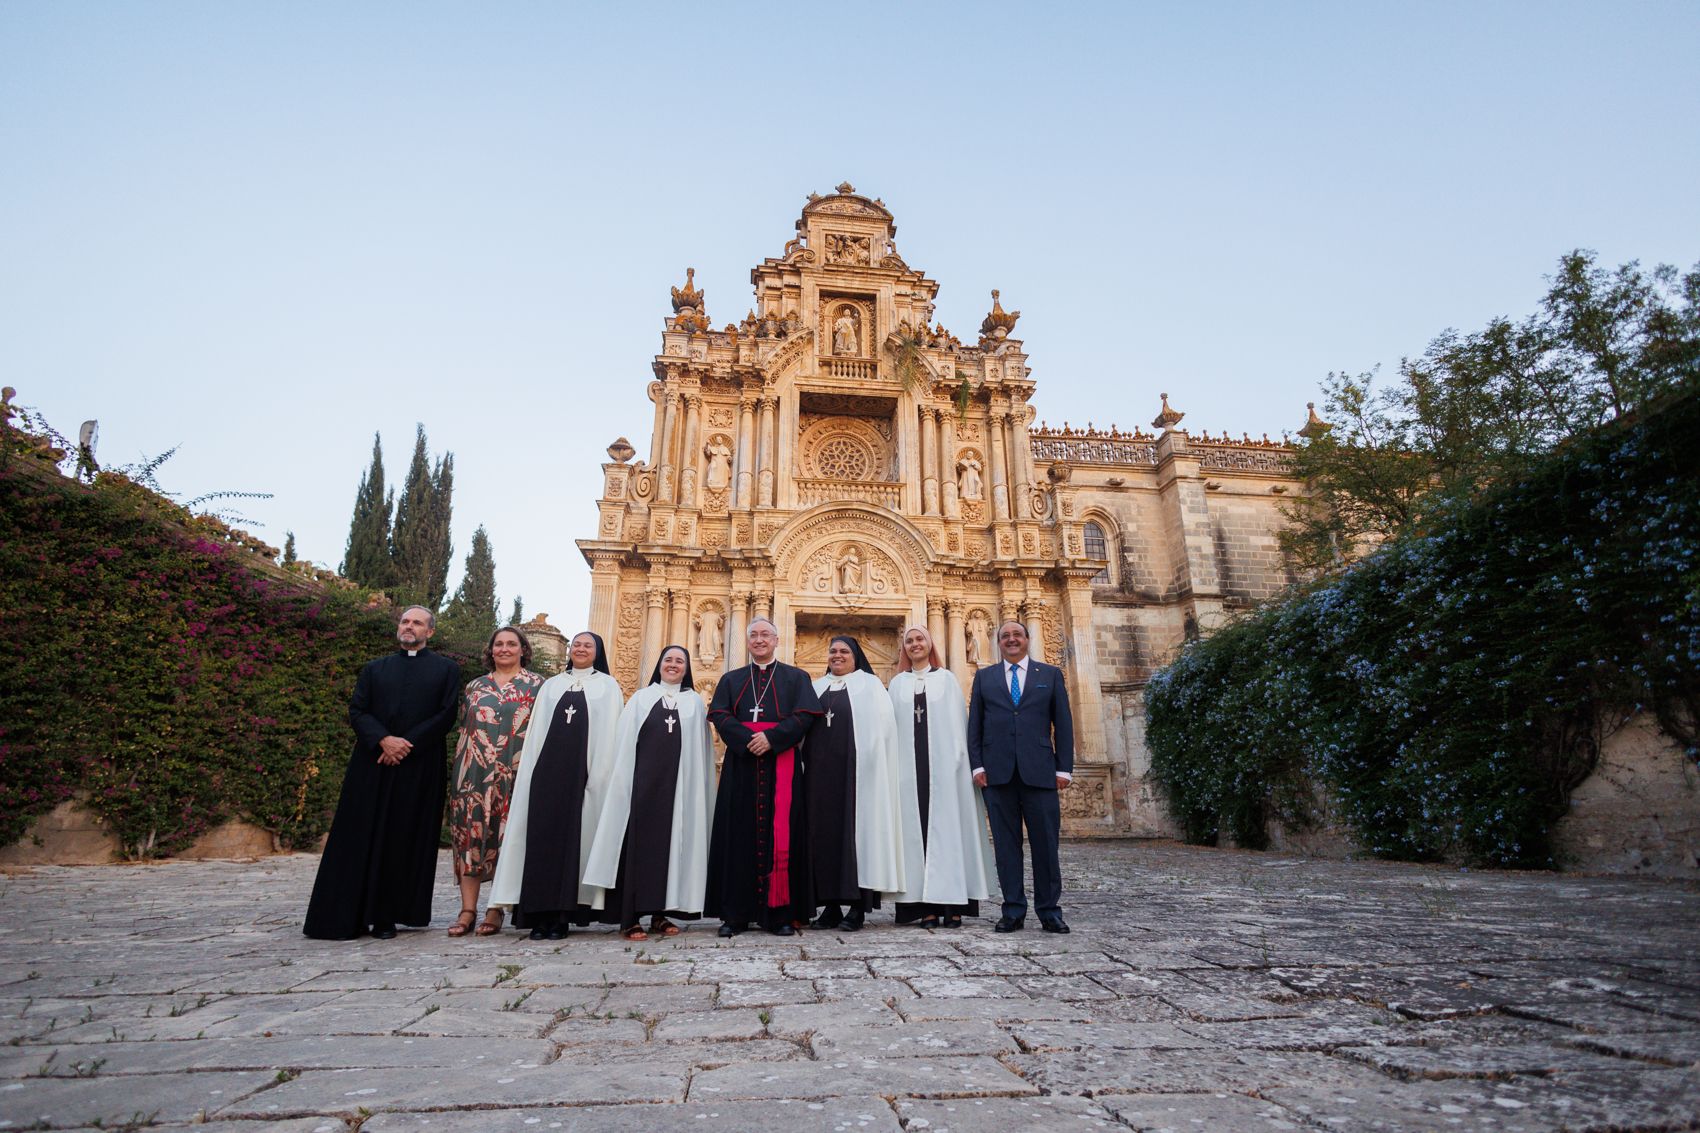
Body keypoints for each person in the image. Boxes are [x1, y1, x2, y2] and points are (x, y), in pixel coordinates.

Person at [304, 606, 462, 940]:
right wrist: (383, 741)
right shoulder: (375, 669)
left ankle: (388, 915)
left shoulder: (447, 670)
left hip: (418, 765)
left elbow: (446, 714)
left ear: (429, 632)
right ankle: (350, 912)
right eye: (405, 621)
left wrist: (406, 744)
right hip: (371, 762)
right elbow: (358, 709)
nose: (409, 627)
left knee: (403, 836)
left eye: (417, 623)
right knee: (359, 834)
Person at [490, 631, 623, 940]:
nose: (581, 648)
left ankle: (563, 916)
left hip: (584, 777)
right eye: (576, 644)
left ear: (598, 651)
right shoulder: (552, 686)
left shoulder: (607, 687)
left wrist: (600, 775)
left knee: (573, 844)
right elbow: (537, 731)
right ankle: (537, 915)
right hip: (546, 777)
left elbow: (610, 735)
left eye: (588, 645)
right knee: (541, 842)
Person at [583, 645, 716, 940]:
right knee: (635, 848)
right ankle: (629, 917)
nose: (673, 665)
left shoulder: (694, 702)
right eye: (668, 660)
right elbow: (624, 743)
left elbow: (700, 753)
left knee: (670, 851)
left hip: (678, 790)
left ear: (686, 668)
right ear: (659, 665)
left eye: (679, 661)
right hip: (640, 788)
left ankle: (660, 913)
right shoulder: (641, 699)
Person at [704, 617, 824, 936]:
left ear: (776, 640)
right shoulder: (732, 679)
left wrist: (773, 738)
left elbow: (805, 716)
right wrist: (747, 739)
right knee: (737, 837)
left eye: (765, 635)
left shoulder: (796, 678)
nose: (759, 640)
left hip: (781, 764)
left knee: (784, 837)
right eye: (754, 635)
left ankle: (780, 915)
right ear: (747, 642)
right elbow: (719, 714)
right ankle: (735, 915)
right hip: (741, 768)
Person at [967, 621, 1074, 934]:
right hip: (997, 775)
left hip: (1040, 772)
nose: (1011, 640)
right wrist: (977, 766)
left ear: (1027, 639)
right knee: (1005, 847)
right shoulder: (984, 678)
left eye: (1016, 635)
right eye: (1005, 636)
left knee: (1045, 846)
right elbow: (975, 725)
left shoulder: (1050, 675)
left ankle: (1050, 911)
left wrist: (1063, 768)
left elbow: (1063, 724)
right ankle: (1012, 910)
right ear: (998, 643)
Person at [889, 625, 994, 929]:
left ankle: (954, 905)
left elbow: (959, 725)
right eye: (909, 641)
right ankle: (924, 908)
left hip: (946, 772)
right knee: (915, 836)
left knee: (949, 835)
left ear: (930, 644)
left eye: (920, 639)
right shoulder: (897, 684)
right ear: (904, 649)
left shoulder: (947, 680)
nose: (914, 644)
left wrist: (961, 765)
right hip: (908, 773)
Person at [446, 626, 543, 938]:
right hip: (472, 772)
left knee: (507, 837)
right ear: (491, 650)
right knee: (469, 838)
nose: (504, 649)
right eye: (498, 644)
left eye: (511, 644)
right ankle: (468, 909)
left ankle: (496, 908)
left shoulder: (538, 686)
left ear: (522, 650)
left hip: (516, 772)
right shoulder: (475, 686)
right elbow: (465, 725)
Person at [808, 636, 904, 931]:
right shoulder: (817, 687)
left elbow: (884, 730)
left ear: (855, 656)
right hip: (820, 777)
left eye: (844, 651)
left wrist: (873, 765)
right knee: (823, 837)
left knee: (858, 837)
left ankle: (857, 908)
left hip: (859, 775)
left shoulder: (870, 686)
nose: (837, 656)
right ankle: (831, 906)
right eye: (833, 651)